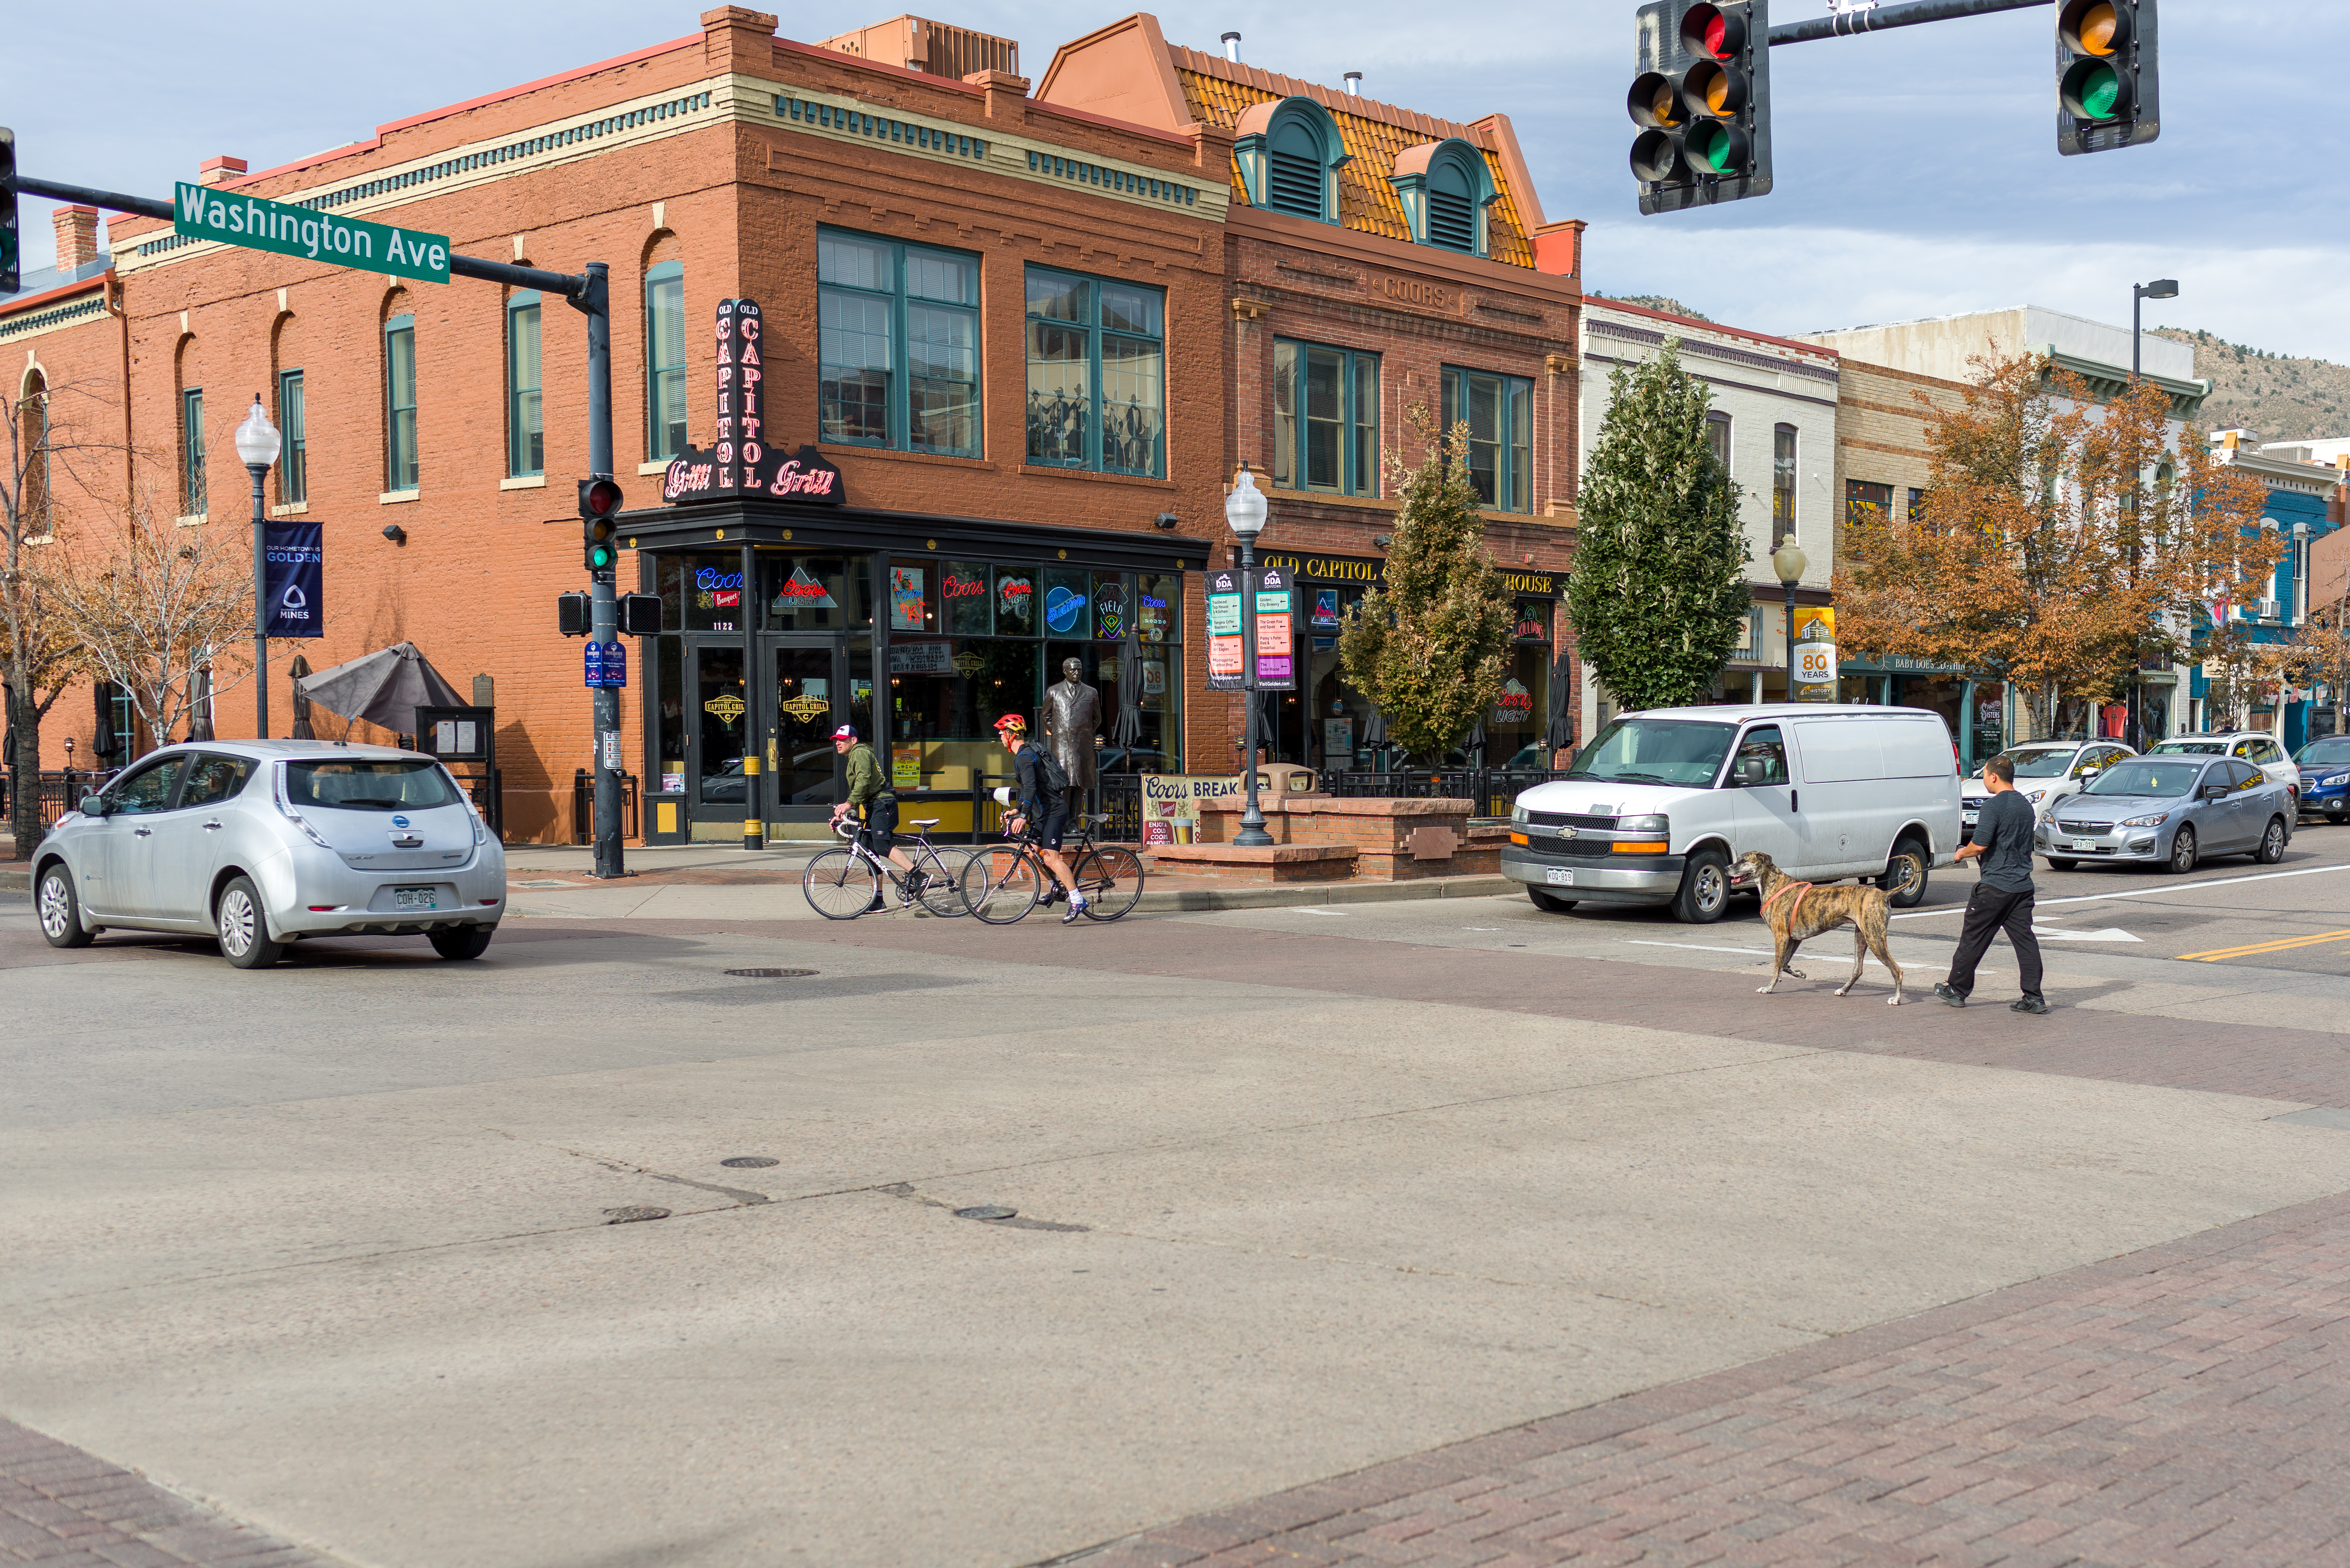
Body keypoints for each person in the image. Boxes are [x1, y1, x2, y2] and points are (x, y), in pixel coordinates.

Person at [1936, 753, 2048, 1014]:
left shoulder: (1993, 806)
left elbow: (1980, 845)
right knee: (2025, 942)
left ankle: (1956, 989)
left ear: (1994, 776)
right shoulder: (2025, 805)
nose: (1984, 778)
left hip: (1995, 886)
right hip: (2022, 886)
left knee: (1973, 938)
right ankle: (2034, 996)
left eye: (1985, 773)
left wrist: (1961, 853)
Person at [993, 712, 1084, 922]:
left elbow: (1032, 787)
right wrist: (1016, 810)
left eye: (1001, 733)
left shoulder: (1024, 757)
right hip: (1042, 814)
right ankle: (1057, 887)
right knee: (1033, 854)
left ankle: (1077, 899)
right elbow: (1027, 789)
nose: (1000, 737)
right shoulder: (1025, 754)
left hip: (1053, 812)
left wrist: (1024, 816)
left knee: (1051, 858)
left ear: (1011, 735)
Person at [828, 725, 920, 912]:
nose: (838, 743)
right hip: (874, 804)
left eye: (843, 739)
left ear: (853, 740)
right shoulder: (853, 756)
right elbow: (863, 789)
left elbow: (864, 780)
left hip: (882, 803)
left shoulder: (859, 753)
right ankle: (878, 900)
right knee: (869, 851)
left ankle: (919, 876)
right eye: (836, 740)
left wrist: (849, 804)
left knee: (881, 846)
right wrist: (847, 812)